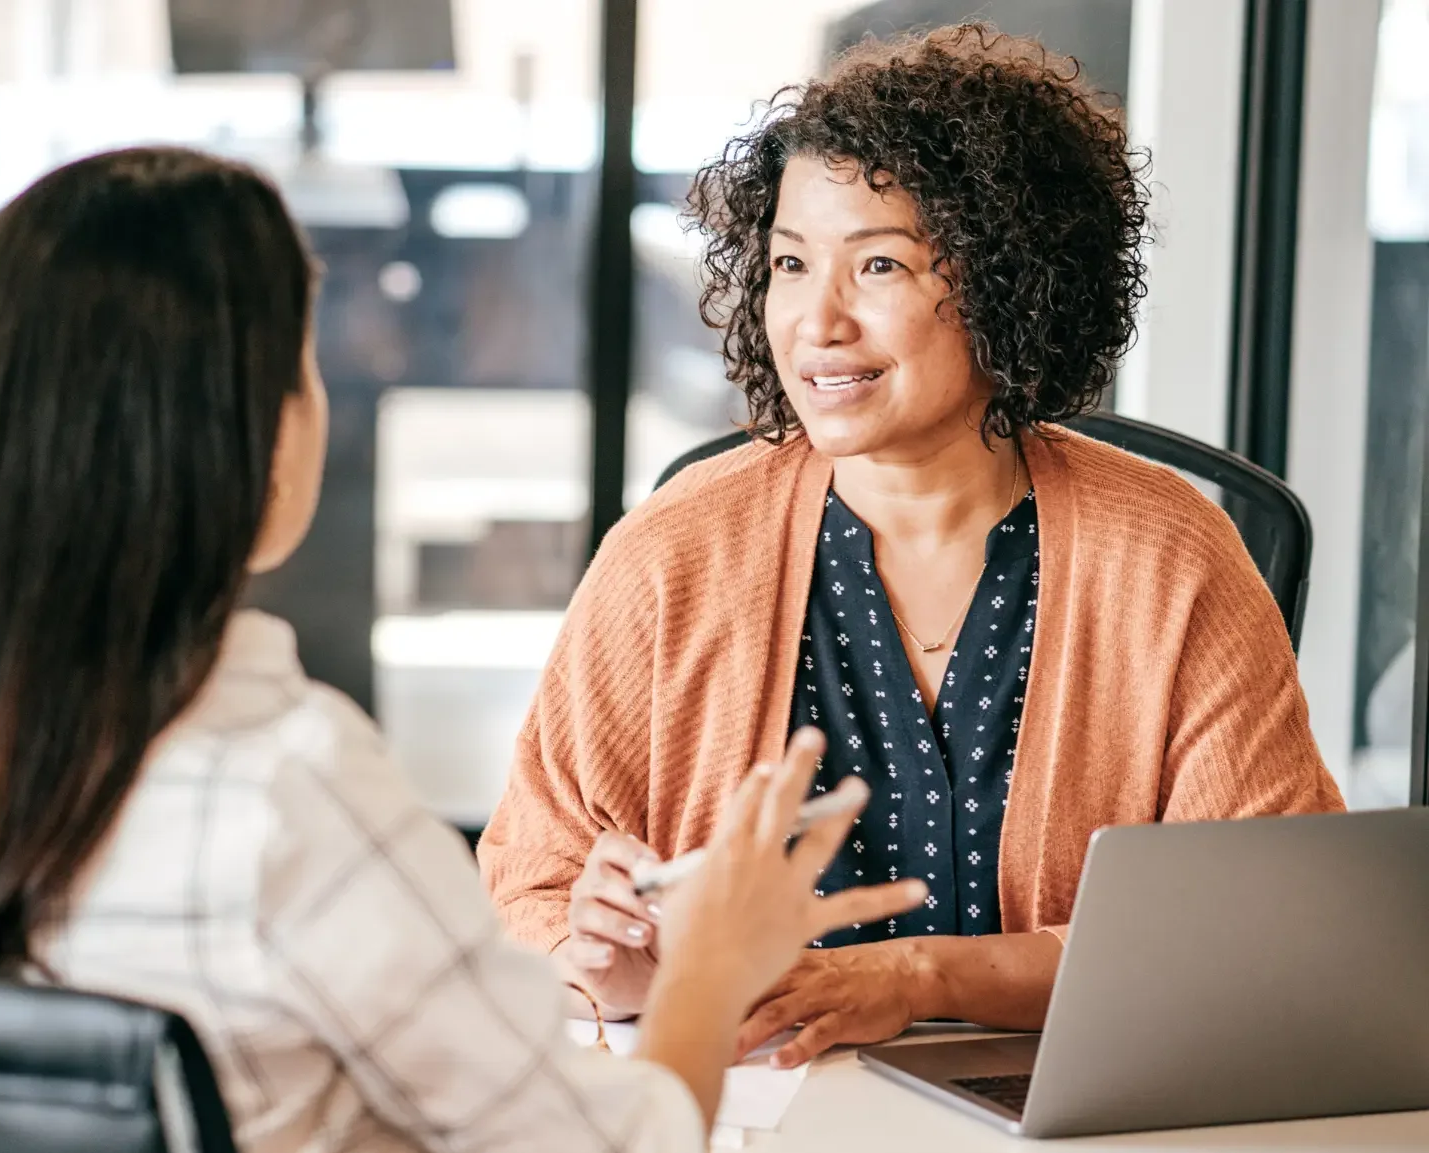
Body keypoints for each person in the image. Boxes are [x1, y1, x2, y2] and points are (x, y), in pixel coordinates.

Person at [0, 147, 927, 1153]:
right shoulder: (288, 787)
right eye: (304, 365)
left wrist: (414, 1142)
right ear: (245, 436)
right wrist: (709, 966)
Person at [479, 24, 1344, 1067]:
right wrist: (606, 963)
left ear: (1003, 279)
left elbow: (1254, 925)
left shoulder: (1168, 553)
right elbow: (531, 883)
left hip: (1063, 1118)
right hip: (742, 1108)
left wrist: (923, 975)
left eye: (877, 263)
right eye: (790, 264)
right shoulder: (672, 551)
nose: (816, 321)